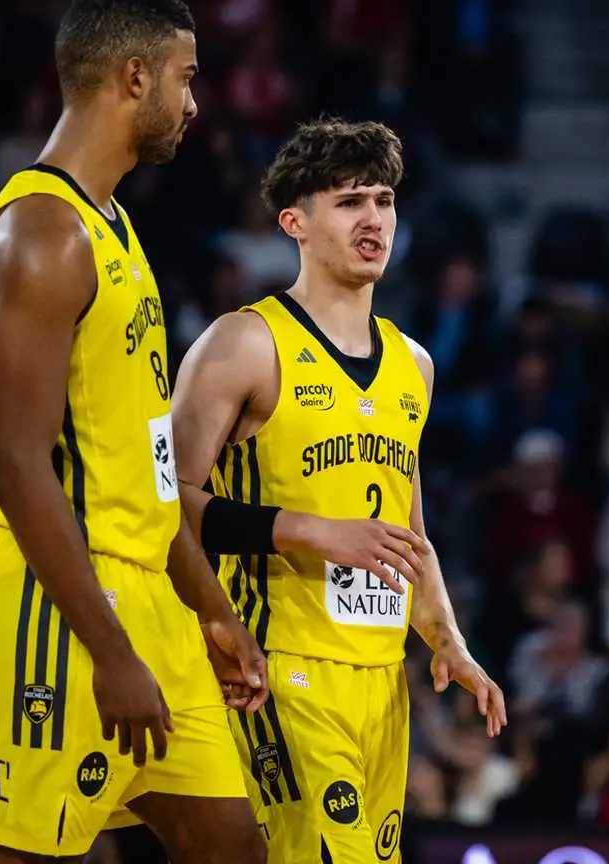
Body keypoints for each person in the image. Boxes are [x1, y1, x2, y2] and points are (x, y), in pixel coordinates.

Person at [0, 0, 267, 864]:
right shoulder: (43, 235)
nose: (193, 102)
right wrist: (111, 649)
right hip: (55, 600)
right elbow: (17, 467)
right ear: (134, 77)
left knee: (234, 847)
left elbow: (145, 466)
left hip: (148, 594)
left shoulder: (115, 228)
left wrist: (209, 609)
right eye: (185, 77)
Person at [170, 119, 506, 863]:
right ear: (295, 221)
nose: (374, 220)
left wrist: (447, 638)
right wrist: (308, 530)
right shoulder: (242, 343)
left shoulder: (412, 365)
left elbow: (407, 530)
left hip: (382, 683)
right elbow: (166, 504)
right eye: (351, 201)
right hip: (277, 665)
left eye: (384, 200)